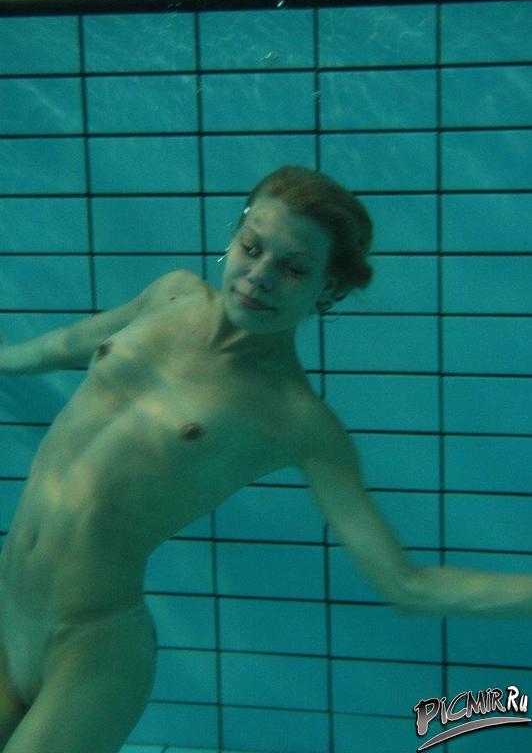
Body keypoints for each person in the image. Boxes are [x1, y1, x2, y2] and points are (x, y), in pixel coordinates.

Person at [0, 165, 530, 753]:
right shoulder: (169, 294)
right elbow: (62, 345)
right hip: (7, 611)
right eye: (252, 248)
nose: (259, 277)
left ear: (328, 289)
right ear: (234, 239)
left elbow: (407, 585)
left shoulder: (294, 418)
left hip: (89, 649)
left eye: (294, 268)